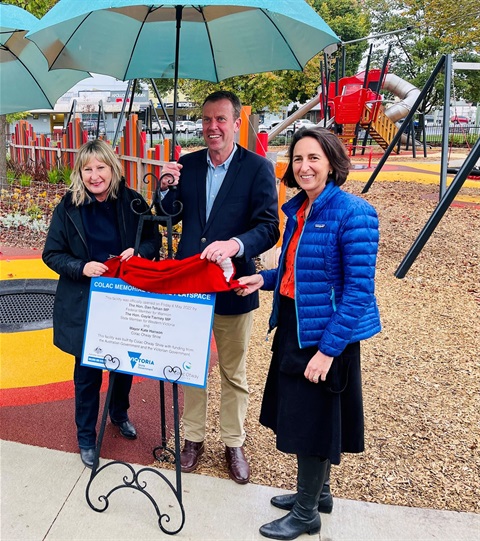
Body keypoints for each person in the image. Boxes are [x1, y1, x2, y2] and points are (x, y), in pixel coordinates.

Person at [235, 127, 381, 539]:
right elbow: (295, 270)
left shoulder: (354, 213)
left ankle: (305, 513)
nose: (304, 167)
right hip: (295, 327)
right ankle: (319, 493)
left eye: (314, 158)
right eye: (298, 159)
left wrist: (329, 350)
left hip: (325, 335)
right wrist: (261, 281)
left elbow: (358, 292)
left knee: (313, 423)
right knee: (307, 417)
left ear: (333, 162)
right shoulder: (302, 209)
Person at [159, 91, 280, 484]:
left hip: (233, 284)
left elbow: (268, 227)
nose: (213, 127)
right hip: (190, 284)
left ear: (234, 122)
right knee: (191, 364)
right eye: (207, 120)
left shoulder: (258, 168)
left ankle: (233, 441)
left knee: (233, 371)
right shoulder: (187, 165)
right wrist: (165, 187)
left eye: (221, 119)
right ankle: (193, 437)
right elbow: (167, 216)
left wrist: (236, 244)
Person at [42, 139, 157, 469]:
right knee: (88, 373)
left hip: (123, 298)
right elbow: (51, 254)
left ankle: (119, 413)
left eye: (101, 167)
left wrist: (140, 253)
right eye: (87, 169)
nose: (95, 175)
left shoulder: (132, 202)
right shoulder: (68, 207)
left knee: (124, 366)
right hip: (85, 301)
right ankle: (86, 436)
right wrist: (81, 267)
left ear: (113, 167)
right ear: (80, 172)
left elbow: (152, 238)